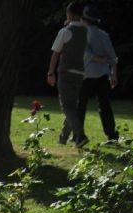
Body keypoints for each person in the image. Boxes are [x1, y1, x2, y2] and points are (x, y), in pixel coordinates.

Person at [47, 2, 89, 148]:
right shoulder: (86, 31)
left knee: (67, 107)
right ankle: (63, 139)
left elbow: (56, 54)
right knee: (72, 106)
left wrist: (51, 72)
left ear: (69, 14)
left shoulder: (65, 32)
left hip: (66, 73)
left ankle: (80, 135)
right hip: (80, 73)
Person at [78, 5, 119, 141]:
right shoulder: (104, 35)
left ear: (84, 20)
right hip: (103, 75)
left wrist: (98, 59)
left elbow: (85, 53)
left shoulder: (82, 34)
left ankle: (79, 135)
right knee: (104, 105)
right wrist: (114, 74)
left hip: (86, 75)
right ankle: (111, 135)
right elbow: (113, 57)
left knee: (81, 104)